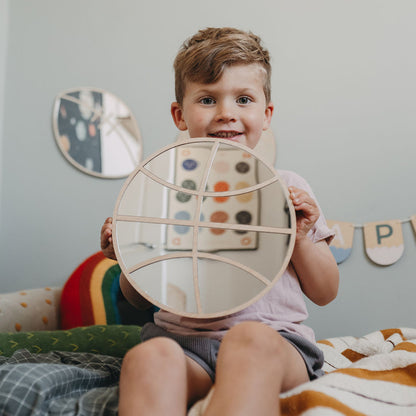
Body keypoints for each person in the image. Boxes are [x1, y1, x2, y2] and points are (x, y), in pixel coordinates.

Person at [100, 27, 339, 416]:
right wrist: (129, 256)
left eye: (243, 99)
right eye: (208, 99)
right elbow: (139, 298)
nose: (226, 113)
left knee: (250, 341)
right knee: (149, 357)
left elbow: (325, 291)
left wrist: (300, 238)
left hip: (275, 345)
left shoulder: (288, 189)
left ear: (267, 114)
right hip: (184, 346)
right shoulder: (160, 190)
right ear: (180, 115)